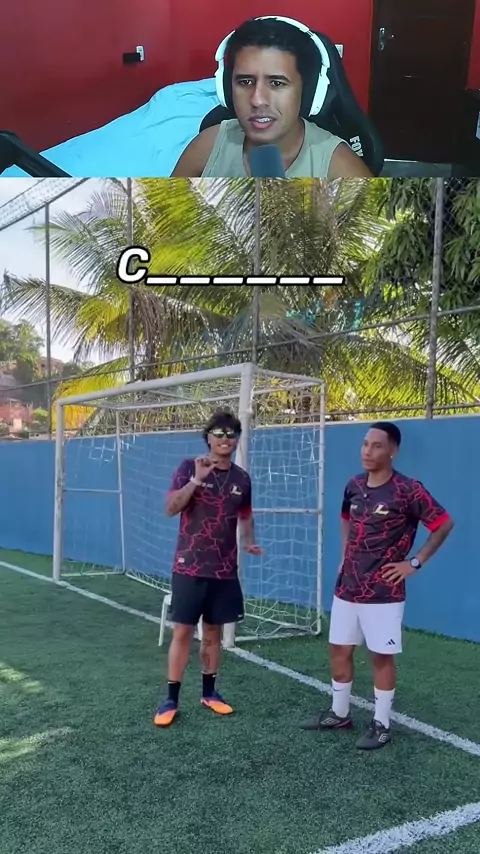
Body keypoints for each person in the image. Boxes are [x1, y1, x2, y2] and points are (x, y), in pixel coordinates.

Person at [301, 421, 454, 750]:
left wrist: (414, 563)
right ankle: (340, 714)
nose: (367, 451)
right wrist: (345, 555)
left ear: (393, 451)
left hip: (384, 591)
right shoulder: (354, 485)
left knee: (381, 657)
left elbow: (443, 524)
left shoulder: (408, 490)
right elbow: (346, 518)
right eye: (365, 444)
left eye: (377, 445)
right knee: (339, 649)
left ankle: (382, 724)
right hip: (348, 587)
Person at [154, 409, 263, 727]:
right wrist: (196, 480)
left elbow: (245, 514)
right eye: (219, 433)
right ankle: (171, 699)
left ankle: (210, 693)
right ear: (208, 437)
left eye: (231, 434)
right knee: (183, 631)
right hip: (189, 566)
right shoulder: (189, 467)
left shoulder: (242, 479)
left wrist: (249, 541)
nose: (225, 439)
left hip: (224, 569)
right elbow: (170, 508)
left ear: (237, 439)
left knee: (213, 632)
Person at [172, 18, 372, 179]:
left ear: (307, 90)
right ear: (227, 88)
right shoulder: (206, 147)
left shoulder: (339, 167)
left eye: (277, 83)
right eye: (245, 82)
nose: (257, 100)